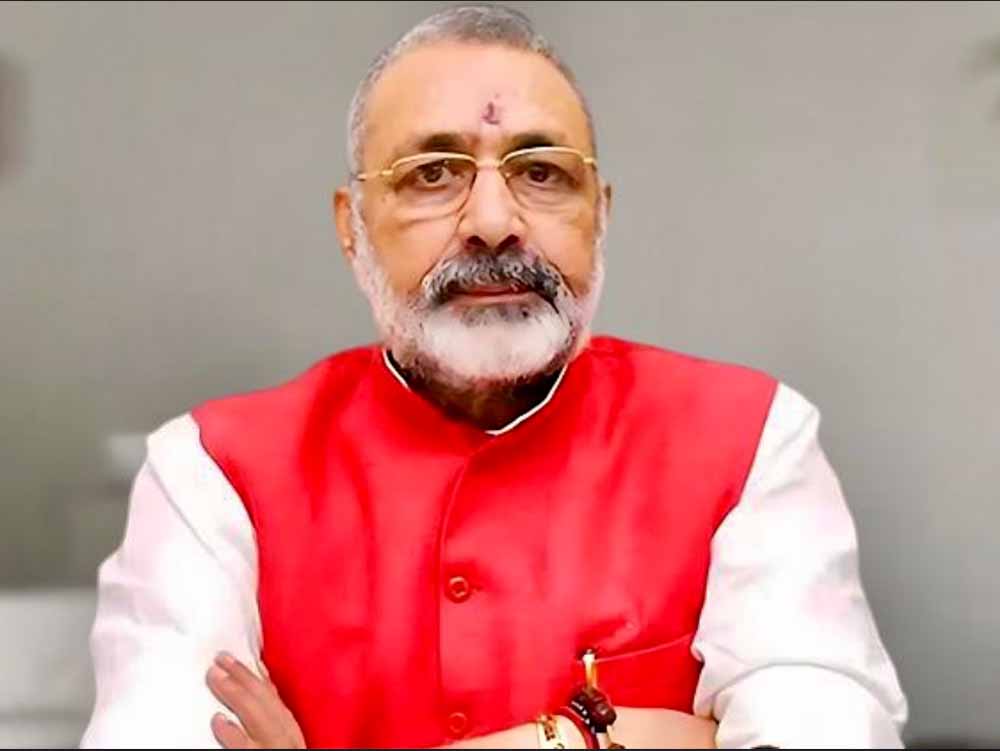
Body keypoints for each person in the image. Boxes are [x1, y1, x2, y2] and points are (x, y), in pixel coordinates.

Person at [81, 5, 908, 749]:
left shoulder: (751, 440)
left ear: (600, 215)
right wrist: (624, 739)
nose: (491, 221)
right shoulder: (211, 471)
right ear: (352, 227)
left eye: (541, 172)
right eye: (432, 174)